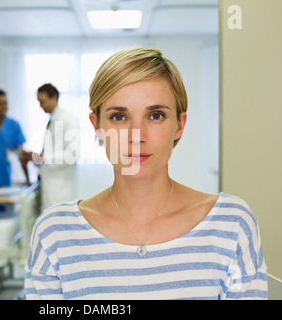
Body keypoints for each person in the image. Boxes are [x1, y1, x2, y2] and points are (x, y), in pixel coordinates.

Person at [24, 47, 268, 299]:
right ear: (97, 127)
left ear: (179, 125)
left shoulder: (232, 224)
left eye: (155, 115)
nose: (136, 135)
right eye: (119, 116)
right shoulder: (54, 234)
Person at [19, 83, 79, 212]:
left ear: (55, 98)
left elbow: (73, 155)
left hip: (60, 189)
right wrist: (33, 157)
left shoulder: (69, 121)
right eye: (39, 102)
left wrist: (41, 158)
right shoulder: (52, 121)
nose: (41, 106)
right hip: (50, 185)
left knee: (60, 225)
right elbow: (51, 153)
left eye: (43, 102)